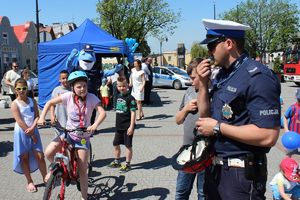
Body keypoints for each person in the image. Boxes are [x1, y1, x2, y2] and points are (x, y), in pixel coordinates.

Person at [195, 19, 281, 199]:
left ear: (228, 43)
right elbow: (205, 119)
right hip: (215, 168)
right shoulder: (224, 74)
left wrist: (218, 127)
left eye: (212, 46)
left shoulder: (258, 77)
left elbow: (268, 135)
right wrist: (203, 85)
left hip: (240, 174)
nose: (209, 52)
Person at [38, 71, 106, 200]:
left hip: (82, 137)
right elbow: (49, 103)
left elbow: (102, 113)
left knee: (82, 170)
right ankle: (62, 170)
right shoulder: (68, 96)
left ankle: (84, 197)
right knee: (48, 153)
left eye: (84, 86)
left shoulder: (92, 97)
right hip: (68, 133)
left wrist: (95, 124)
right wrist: (42, 117)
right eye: (79, 86)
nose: (82, 89)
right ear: (73, 88)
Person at [175, 58, 205, 200]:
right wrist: (186, 109)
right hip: (187, 151)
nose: (191, 82)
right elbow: (178, 120)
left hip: (206, 154)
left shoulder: (214, 92)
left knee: (203, 193)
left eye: (194, 78)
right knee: (181, 192)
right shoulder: (189, 91)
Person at [11, 78, 47, 193]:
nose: (21, 91)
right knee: (24, 158)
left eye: (24, 88)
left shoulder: (32, 101)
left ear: (27, 88)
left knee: (40, 156)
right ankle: (29, 181)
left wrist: (33, 129)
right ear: (15, 90)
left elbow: (37, 116)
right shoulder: (14, 104)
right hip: (22, 132)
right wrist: (31, 133)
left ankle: (46, 178)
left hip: (33, 130)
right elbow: (20, 121)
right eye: (19, 89)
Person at [107, 77, 137, 173]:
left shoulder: (131, 98)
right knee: (115, 144)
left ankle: (127, 164)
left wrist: (131, 126)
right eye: (119, 86)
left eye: (123, 86)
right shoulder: (118, 96)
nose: (121, 88)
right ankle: (117, 161)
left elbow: (133, 113)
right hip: (119, 126)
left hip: (127, 126)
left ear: (127, 85)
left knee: (128, 146)